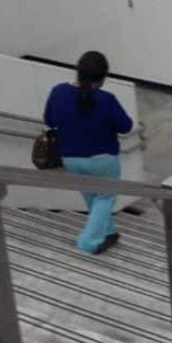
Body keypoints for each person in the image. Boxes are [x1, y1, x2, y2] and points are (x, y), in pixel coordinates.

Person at [43, 51, 133, 255]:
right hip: (103, 159)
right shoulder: (106, 99)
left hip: (71, 158)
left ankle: (108, 232)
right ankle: (89, 242)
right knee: (104, 197)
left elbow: (49, 120)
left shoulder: (58, 92)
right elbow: (126, 126)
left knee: (92, 196)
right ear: (102, 78)